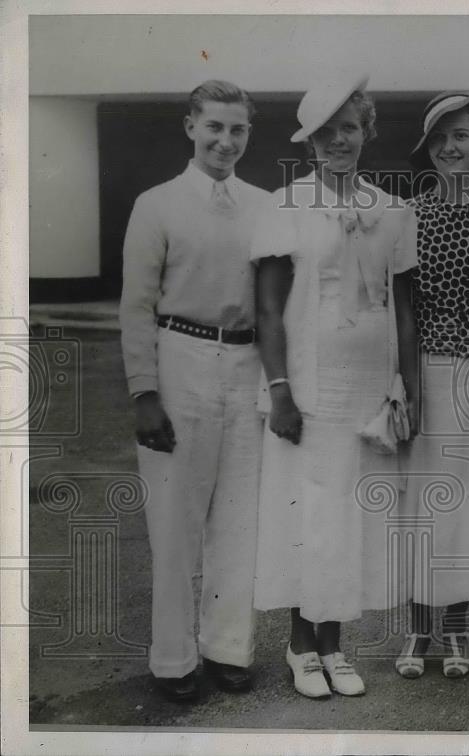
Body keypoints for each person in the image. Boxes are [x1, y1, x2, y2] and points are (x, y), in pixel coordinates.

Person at [251, 75, 420, 699]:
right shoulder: (284, 205)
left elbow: (405, 306)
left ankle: (335, 645)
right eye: (325, 131)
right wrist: (279, 389)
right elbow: (268, 310)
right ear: (309, 141)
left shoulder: (392, 209)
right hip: (308, 383)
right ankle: (301, 646)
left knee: (353, 515)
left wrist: (410, 386)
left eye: (348, 127)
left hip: (369, 385)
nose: (337, 140)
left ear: (366, 132)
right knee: (311, 512)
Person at [119, 80, 269, 702]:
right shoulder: (156, 204)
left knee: (239, 519)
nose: (225, 141)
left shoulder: (264, 205)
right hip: (179, 359)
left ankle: (228, 649)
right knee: (176, 521)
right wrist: (143, 391)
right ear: (190, 127)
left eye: (237, 130)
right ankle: (174, 659)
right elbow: (136, 306)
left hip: (246, 362)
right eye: (214, 127)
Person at [394, 87, 469, 679]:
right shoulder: (410, 215)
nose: (450, 147)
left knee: (464, 506)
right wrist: (411, 387)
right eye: (438, 139)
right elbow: (405, 309)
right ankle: (417, 634)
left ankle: (459, 632)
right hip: (423, 375)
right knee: (419, 505)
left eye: (460, 135)